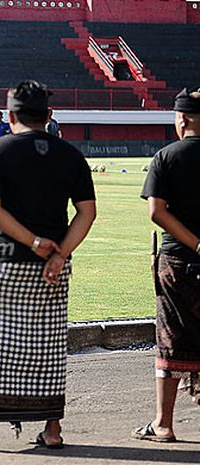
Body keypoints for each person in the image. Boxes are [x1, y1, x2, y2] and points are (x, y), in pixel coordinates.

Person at [0, 80, 96, 452]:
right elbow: (86, 213)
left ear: (11, 114)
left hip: (6, 260)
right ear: (48, 115)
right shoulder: (70, 155)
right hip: (53, 266)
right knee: (48, 345)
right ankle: (52, 429)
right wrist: (59, 252)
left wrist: (32, 241)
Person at [136, 87, 200, 443]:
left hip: (177, 261)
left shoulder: (167, 156)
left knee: (171, 340)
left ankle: (164, 424)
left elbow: (156, 211)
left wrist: (195, 242)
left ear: (182, 119)